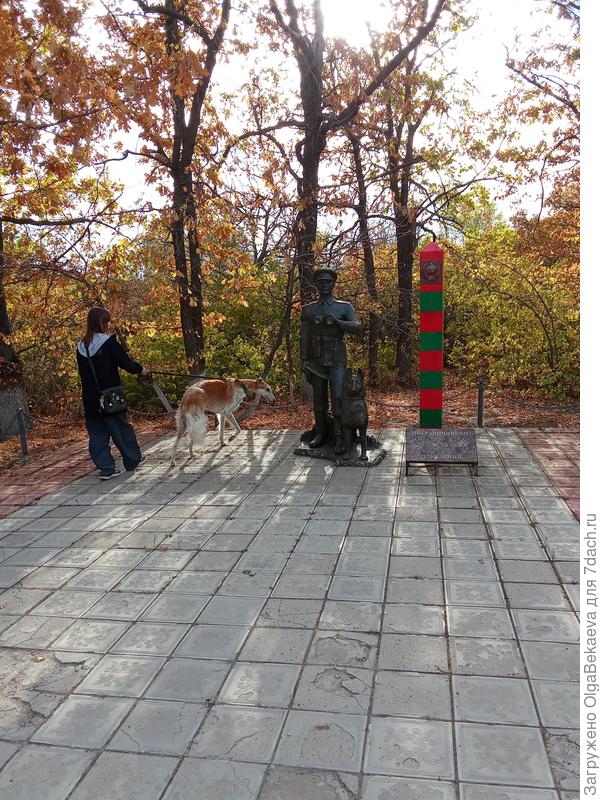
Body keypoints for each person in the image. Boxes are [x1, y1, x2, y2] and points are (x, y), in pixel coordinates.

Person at [76, 307, 148, 479]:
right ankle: (132, 460)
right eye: (106, 321)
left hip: (91, 398)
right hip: (111, 395)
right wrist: (142, 370)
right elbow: (127, 364)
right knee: (121, 428)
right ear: (101, 322)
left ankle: (106, 469)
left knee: (97, 433)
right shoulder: (108, 342)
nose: (108, 324)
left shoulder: (81, 346)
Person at [300, 267, 362, 453]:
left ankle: (341, 437)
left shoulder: (344, 307)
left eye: (328, 281)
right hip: (316, 359)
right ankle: (320, 433)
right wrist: (303, 360)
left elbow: (358, 328)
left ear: (334, 284)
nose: (325, 285)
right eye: (321, 282)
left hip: (337, 359)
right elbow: (303, 336)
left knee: (338, 398)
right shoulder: (309, 309)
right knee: (318, 401)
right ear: (316, 284)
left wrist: (338, 323)